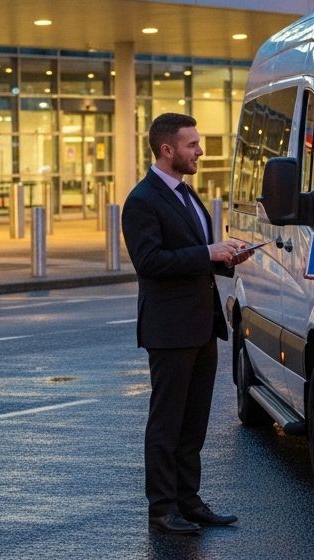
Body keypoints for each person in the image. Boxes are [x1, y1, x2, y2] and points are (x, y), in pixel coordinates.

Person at [122, 112, 252, 536]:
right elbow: (150, 262)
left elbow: (197, 254)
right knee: (166, 422)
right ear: (167, 150)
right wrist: (208, 253)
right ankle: (161, 509)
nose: (199, 150)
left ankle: (188, 500)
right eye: (192, 144)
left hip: (200, 324)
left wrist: (226, 256)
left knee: (194, 420)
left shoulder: (186, 194)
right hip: (169, 329)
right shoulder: (142, 200)